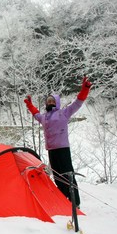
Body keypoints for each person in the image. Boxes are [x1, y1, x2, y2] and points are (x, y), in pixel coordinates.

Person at [24, 76, 92, 207]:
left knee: (68, 175)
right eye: (48, 101)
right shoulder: (44, 117)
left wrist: (85, 89)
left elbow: (78, 102)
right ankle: (63, 199)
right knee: (57, 176)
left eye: (52, 101)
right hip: (51, 150)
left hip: (62, 149)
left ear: (57, 103)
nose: (50, 103)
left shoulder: (64, 113)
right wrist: (29, 104)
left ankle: (75, 202)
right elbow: (35, 113)